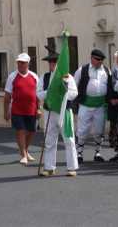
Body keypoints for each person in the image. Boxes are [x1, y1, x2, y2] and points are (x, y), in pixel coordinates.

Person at [37, 49, 79, 177]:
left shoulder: (67, 77)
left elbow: (74, 93)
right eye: (51, 63)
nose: (53, 65)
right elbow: (38, 94)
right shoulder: (44, 77)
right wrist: (50, 93)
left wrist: (63, 93)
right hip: (50, 111)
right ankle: (49, 167)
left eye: (55, 63)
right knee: (49, 140)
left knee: (69, 139)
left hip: (64, 111)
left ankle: (72, 168)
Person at [74, 49, 113, 163]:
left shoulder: (106, 70)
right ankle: (79, 153)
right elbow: (74, 85)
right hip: (85, 105)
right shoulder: (82, 70)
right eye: (97, 60)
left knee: (99, 130)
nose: (99, 62)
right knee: (82, 130)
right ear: (91, 58)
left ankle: (98, 152)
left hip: (100, 106)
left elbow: (110, 86)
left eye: (101, 60)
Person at [4, 53, 39, 165]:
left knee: (32, 131)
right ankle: (23, 154)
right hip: (17, 110)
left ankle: (25, 150)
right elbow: (7, 95)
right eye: (19, 62)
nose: (20, 64)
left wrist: (39, 108)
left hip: (31, 109)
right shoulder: (12, 77)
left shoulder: (34, 76)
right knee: (20, 131)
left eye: (23, 62)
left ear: (28, 63)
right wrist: (6, 112)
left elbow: (38, 95)